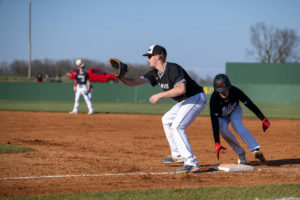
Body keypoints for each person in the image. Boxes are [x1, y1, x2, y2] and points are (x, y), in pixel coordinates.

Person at [119, 45, 207, 173]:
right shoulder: (155, 73)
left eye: (149, 56)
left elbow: (181, 89)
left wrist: (159, 95)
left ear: (158, 56)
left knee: (177, 127)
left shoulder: (173, 68)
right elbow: (134, 81)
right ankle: (177, 156)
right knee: (166, 119)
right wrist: (121, 78)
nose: (147, 59)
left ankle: (191, 162)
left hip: (195, 98)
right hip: (184, 101)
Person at [209, 74, 270, 164]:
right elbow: (214, 122)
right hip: (222, 117)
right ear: (216, 90)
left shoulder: (235, 91)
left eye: (226, 89)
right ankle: (241, 154)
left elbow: (249, 103)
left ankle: (255, 149)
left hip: (234, 111)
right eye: (221, 90)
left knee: (236, 124)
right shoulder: (214, 100)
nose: (224, 92)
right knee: (222, 129)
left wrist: (262, 118)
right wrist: (217, 142)